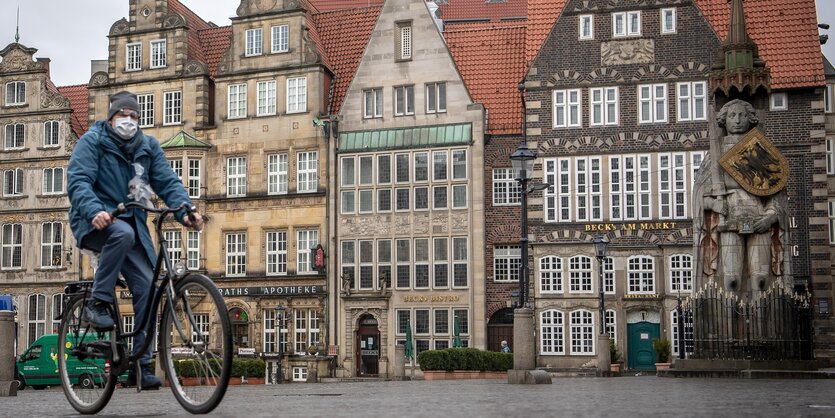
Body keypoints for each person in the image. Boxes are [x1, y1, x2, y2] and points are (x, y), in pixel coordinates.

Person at [67, 91, 204, 389]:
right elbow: (78, 181)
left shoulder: (148, 146)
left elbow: (168, 181)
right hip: (95, 220)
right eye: (123, 115)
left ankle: (141, 366)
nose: (128, 121)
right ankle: (99, 303)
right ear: (111, 117)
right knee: (121, 232)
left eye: (134, 116)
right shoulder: (92, 142)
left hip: (132, 229)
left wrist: (186, 210)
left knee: (148, 289)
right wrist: (94, 211)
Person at [693, 99, 787, 294]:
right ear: (724, 120)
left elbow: (775, 190)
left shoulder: (759, 151)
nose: (737, 120)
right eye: (732, 115)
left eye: (742, 115)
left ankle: (762, 324)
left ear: (750, 119)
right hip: (729, 218)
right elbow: (699, 196)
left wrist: (770, 217)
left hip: (759, 217)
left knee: (761, 280)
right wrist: (714, 204)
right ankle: (725, 325)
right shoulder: (714, 155)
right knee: (731, 280)